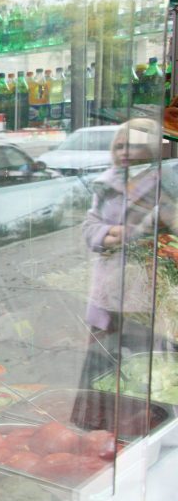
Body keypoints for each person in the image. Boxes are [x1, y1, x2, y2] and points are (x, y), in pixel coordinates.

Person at [80, 118, 164, 387]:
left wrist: (133, 233)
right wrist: (107, 234)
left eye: (134, 147)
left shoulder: (165, 183)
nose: (124, 153)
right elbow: (89, 224)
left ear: (152, 150)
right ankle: (100, 419)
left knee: (143, 362)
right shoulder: (105, 183)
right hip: (108, 286)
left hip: (148, 289)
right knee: (104, 358)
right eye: (119, 146)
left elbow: (161, 230)